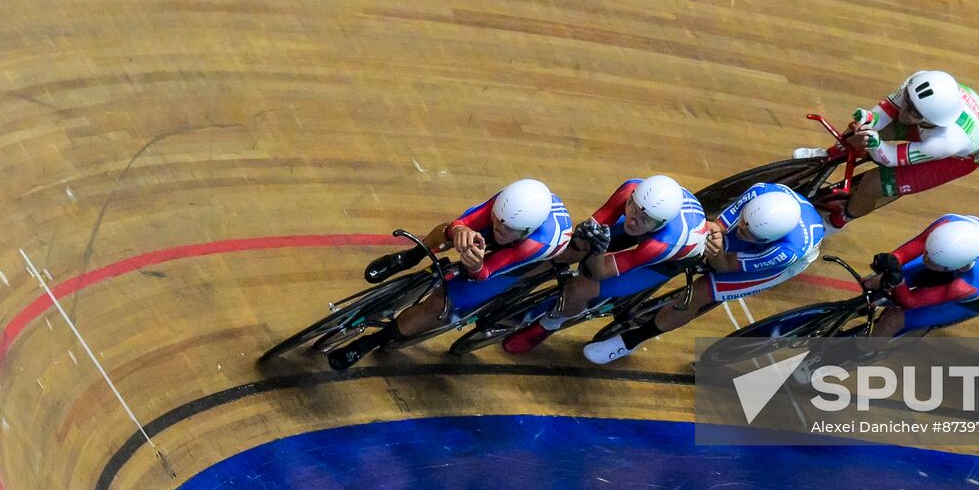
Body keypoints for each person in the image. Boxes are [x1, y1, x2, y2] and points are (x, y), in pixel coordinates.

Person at [326, 178, 573, 370]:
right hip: (515, 224)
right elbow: (462, 222)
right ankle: (409, 257)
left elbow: (486, 272)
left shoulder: (536, 243)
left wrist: (475, 266)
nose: (498, 228)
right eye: (497, 220)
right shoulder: (506, 206)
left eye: (506, 228)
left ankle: (368, 342)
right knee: (448, 231)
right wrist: (459, 231)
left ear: (526, 231)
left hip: (522, 260)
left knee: (439, 304)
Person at [583, 183, 826, 364]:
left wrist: (717, 253)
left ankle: (631, 341)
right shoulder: (759, 193)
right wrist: (712, 237)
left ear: (767, 239)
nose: (741, 231)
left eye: (750, 234)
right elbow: (716, 226)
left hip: (779, 262)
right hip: (764, 222)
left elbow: (724, 266)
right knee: (696, 243)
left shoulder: (786, 251)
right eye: (742, 223)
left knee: (701, 292)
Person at [502, 175, 708, 354]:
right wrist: (583, 238)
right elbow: (586, 234)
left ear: (661, 223)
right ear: (633, 195)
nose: (633, 220)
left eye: (645, 218)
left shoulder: (663, 244)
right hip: (652, 229)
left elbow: (599, 272)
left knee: (581, 288)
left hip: (666, 259)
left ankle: (549, 324)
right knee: (571, 249)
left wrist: (597, 251)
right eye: (633, 208)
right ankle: (512, 284)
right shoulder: (629, 190)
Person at [795, 70, 979, 228]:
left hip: (954, 160)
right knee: (861, 130)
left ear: (931, 119)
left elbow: (890, 158)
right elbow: (882, 114)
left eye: (913, 112)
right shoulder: (917, 83)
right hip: (927, 128)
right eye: (907, 101)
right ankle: (828, 156)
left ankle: (838, 221)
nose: (904, 112)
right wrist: (868, 120)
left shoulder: (949, 141)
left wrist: (875, 143)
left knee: (873, 185)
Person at [863, 214, 979, 336]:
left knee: (893, 320)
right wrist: (892, 259)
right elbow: (905, 253)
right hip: (957, 259)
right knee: (876, 281)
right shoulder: (949, 222)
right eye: (926, 253)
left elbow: (911, 301)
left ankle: (862, 351)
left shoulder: (970, 285)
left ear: (956, 266)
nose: (926, 260)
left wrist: (898, 282)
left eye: (933, 261)